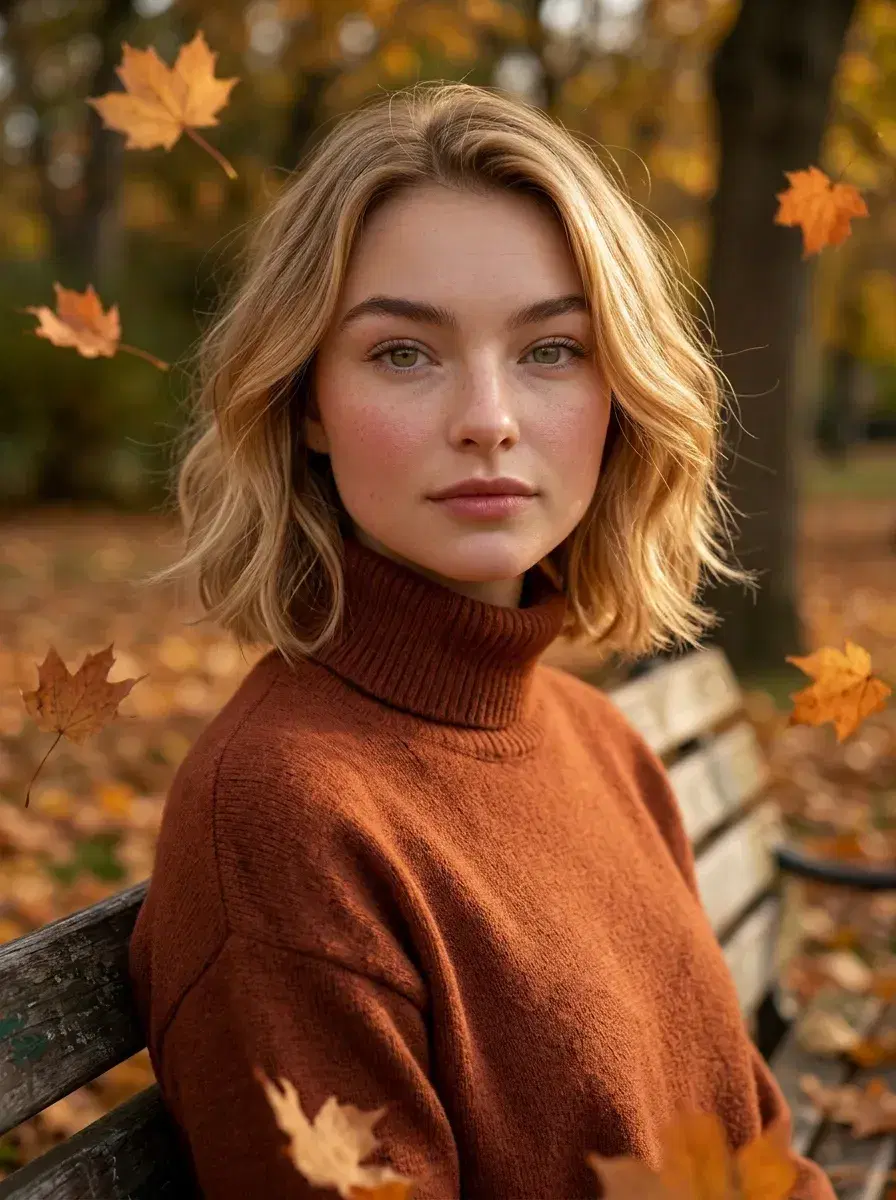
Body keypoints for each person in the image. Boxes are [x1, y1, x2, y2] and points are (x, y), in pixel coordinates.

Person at [129, 81, 835, 1199]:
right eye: (404, 353)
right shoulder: (285, 818)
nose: (488, 416)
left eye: (550, 349)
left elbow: (756, 1157)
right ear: (304, 399)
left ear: (620, 393)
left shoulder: (600, 741)